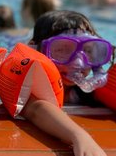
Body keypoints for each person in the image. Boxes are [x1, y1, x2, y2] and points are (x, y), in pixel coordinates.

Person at [24, 10, 111, 156]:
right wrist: (80, 137)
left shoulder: (95, 90)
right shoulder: (32, 83)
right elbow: (35, 108)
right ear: (36, 50)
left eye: (88, 50)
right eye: (62, 50)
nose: (77, 62)